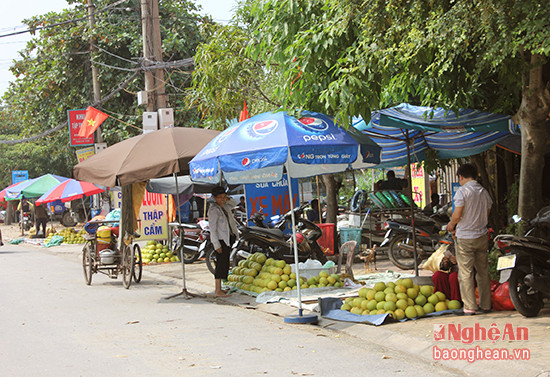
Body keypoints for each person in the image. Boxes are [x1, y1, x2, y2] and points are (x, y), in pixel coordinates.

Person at [446, 163, 492, 315]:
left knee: (465, 273)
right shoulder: (484, 192)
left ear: (461, 176)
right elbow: (487, 211)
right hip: (481, 236)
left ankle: (469, 307)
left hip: (465, 237)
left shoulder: (462, 192)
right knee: (483, 271)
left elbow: (457, 215)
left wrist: (451, 224)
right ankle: (486, 305)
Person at [208, 186, 238, 297]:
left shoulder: (225, 206)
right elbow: (213, 228)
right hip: (221, 240)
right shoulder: (213, 210)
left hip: (228, 238)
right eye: (220, 197)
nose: (222, 199)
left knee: (225, 263)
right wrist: (216, 244)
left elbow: (234, 204)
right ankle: (217, 290)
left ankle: (220, 289)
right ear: (214, 198)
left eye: (223, 197)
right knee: (220, 264)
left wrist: (228, 198)